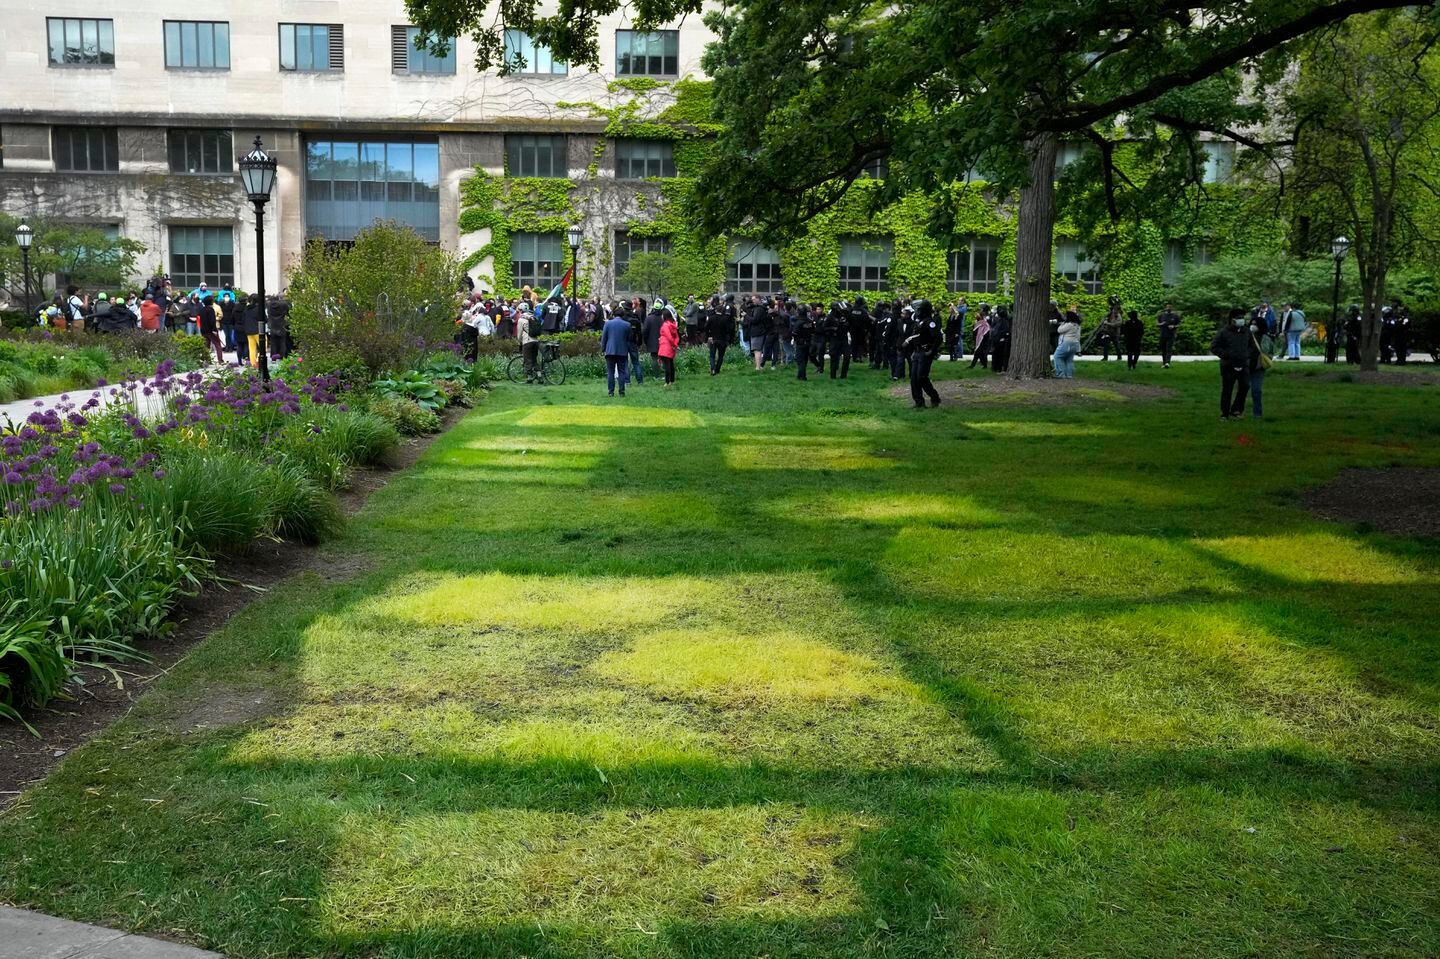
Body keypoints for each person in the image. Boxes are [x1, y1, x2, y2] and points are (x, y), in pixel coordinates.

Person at [1211, 308, 1251, 420]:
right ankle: (1224, 413)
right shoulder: (1224, 332)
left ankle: (1237, 409)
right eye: (1239, 318)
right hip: (1228, 365)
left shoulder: (1246, 331)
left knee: (1245, 386)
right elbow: (1214, 346)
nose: (1241, 320)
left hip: (1243, 364)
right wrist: (1225, 355)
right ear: (1232, 319)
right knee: (1227, 390)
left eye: (1242, 317)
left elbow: (1252, 346)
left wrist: (1247, 355)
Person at [905, 299, 943, 408]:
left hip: (925, 353)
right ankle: (919, 402)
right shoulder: (918, 322)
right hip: (917, 352)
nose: (916, 312)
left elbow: (938, 337)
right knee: (914, 378)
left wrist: (932, 350)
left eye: (918, 310)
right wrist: (913, 350)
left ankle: (934, 396)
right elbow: (915, 338)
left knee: (921, 377)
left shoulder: (929, 322)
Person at [1244, 309, 1274, 419]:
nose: (1253, 326)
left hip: (1259, 368)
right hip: (1246, 367)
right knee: (1243, 391)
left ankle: (1257, 414)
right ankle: (1238, 411)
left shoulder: (1266, 339)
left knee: (1256, 391)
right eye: (1251, 324)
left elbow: (1270, 352)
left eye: (1255, 324)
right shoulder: (1246, 336)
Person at [601, 308, 631, 396]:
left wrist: (603, 349)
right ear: (623, 315)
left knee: (611, 372)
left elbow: (604, 338)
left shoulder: (608, 323)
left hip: (610, 350)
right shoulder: (627, 325)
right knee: (621, 372)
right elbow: (629, 339)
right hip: (622, 351)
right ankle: (621, 392)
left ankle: (611, 392)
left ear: (613, 315)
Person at [708, 294, 736, 375]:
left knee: (712, 355)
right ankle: (717, 369)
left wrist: (709, 336)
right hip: (722, 339)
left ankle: (712, 369)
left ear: (716, 310)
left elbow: (707, 327)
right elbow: (728, 329)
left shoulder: (711, 318)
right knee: (721, 356)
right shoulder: (725, 320)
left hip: (713, 338)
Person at [823, 300, 851, 379]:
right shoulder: (830, 316)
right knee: (834, 357)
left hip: (844, 338)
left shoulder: (844, 314)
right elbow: (824, 328)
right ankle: (833, 376)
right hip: (835, 339)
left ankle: (843, 375)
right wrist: (833, 328)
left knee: (847, 356)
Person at [1052, 307, 1082, 378]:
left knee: (1057, 357)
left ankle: (1060, 374)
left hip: (1066, 343)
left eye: (1066, 316)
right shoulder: (1077, 325)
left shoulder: (1069, 325)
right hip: (1074, 344)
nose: (1064, 317)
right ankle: (1069, 375)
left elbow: (1059, 330)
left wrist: (1062, 324)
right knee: (1069, 360)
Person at [792, 302, 818, 381]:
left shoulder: (798, 322)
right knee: (805, 360)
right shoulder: (810, 321)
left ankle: (803, 377)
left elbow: (794, 333)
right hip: (808, 342)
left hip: (800, 343)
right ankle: (799, 376)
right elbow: (813, 331)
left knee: (800, 361)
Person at [241, 293, 265, 368]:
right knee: (263, 345)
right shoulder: (259, 309)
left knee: (252, 348)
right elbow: (264, 319)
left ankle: (253, 363)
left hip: (248, 331)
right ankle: (258, 360)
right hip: (258, 330)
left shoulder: (246, 309)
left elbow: (243, 319)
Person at [199, 295, 225, 364]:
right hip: (211, 331)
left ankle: (207, 360)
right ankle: (220, 360)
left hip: (204, 330)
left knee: (206, 346)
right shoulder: (211, 309)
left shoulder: (202, 310)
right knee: (218, 345)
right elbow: (212, 321)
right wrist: (214, 330)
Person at [658, 308, 679, 387]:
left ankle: (667, 381)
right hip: (671, 347)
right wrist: (675, 345)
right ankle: (672, 380)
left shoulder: (665, 325)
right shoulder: (673, 325)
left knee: (667, 365)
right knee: (670, 363)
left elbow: (668, 336)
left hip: (665, 346)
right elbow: (676, 337)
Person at [1156, 302, 1182, 368]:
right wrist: (1161, 324)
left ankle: (1167, 363)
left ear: (1172, 308)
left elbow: (1179, 324)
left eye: (1170, 307)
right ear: (1165, 308)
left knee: (1169, 349)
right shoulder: (1161, 315)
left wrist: (1174, 326)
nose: (1169, 308)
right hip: (1163, 334)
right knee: (1163, 349)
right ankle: (1164, 363)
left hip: (1171, 335)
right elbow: (1157, 323)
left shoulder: (1175, 316)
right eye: (1167, 307)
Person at [989, 306, 1012, 374]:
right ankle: (996, 367)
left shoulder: (1006, 319)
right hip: (998, 339)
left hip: (1002, 339)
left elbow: (1006, 329)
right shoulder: (998, 319)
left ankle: (1001, 368)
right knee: (997, 354)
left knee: (1001, 354)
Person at [969, 304, 991, 369]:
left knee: (979, 351)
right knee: (979, 351)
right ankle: (984, 365)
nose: (980, 310)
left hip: (984, 336)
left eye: (981, 309)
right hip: (979, 335)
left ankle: (974, 365)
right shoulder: (981, 317)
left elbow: (987, 326)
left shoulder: (987, 317)